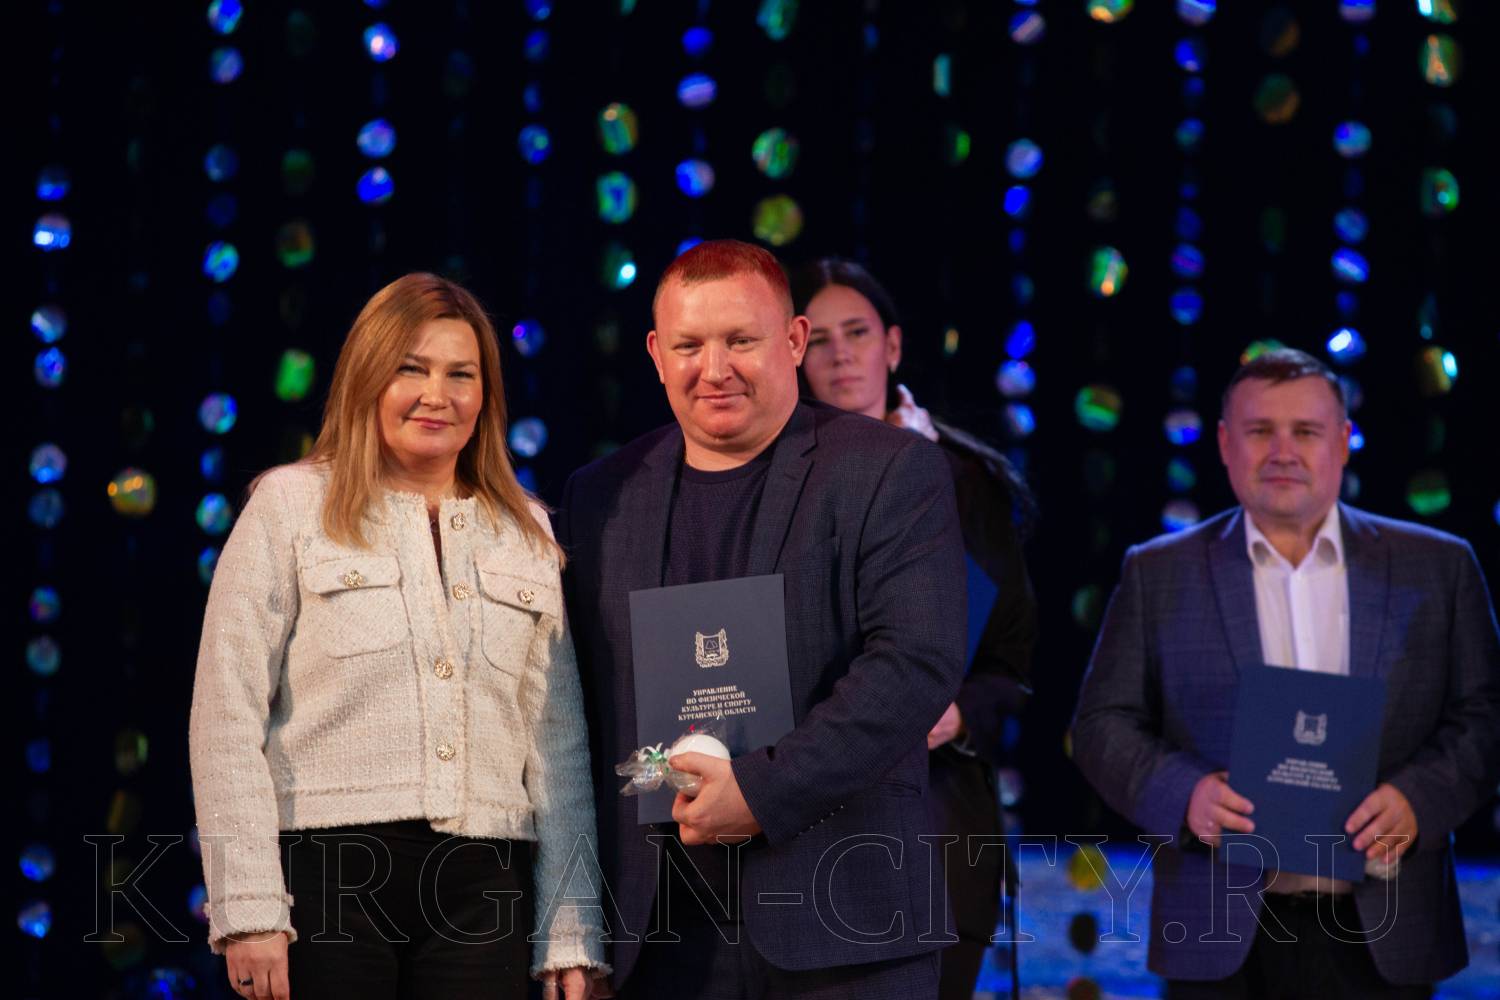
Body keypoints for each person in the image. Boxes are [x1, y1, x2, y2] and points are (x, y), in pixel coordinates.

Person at [554, 239, 969, 998]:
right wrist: (574, 919)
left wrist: (760, 791)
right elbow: (583, 712)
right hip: (655, 935)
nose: (714, 369)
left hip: (846, 928)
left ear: (794, 340)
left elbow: (914, 665)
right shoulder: (600, 495)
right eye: (689, 345)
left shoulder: (888, 469)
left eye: (740, 340)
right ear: (655, 354)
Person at [189, 273, 607, 1000]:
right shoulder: (290, 507)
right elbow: (226, 713)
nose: (436, 395)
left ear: (486, 396)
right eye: (411, 369)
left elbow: (558, 745)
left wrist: (572, 929)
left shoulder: (528, 533)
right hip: (326, 881)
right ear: (366, 380)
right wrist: (248, 905)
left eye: (461, 375)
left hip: (485, 890)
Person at [1071, 348, 1500, 998]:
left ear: (1344, 442)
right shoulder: (1157, 572)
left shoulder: (1439, 567)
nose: (1282, 452)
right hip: (1216, 929)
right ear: (1224, 443)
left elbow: (1487, 718)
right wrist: (1185, 796)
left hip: (1385, 925)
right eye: (1259, 430)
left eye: (1305, 431)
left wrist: (1420, 801)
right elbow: (1101, 725)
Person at [791, 258, 1038, 1000]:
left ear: (893, 345)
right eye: (819, 339)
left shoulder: (969, 479)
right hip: (808, 822)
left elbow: (1013, 661)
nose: (840, 355)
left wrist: (956, 712)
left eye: (857, 333)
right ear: (793, 351)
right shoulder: (771, 475)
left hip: (939, 821)